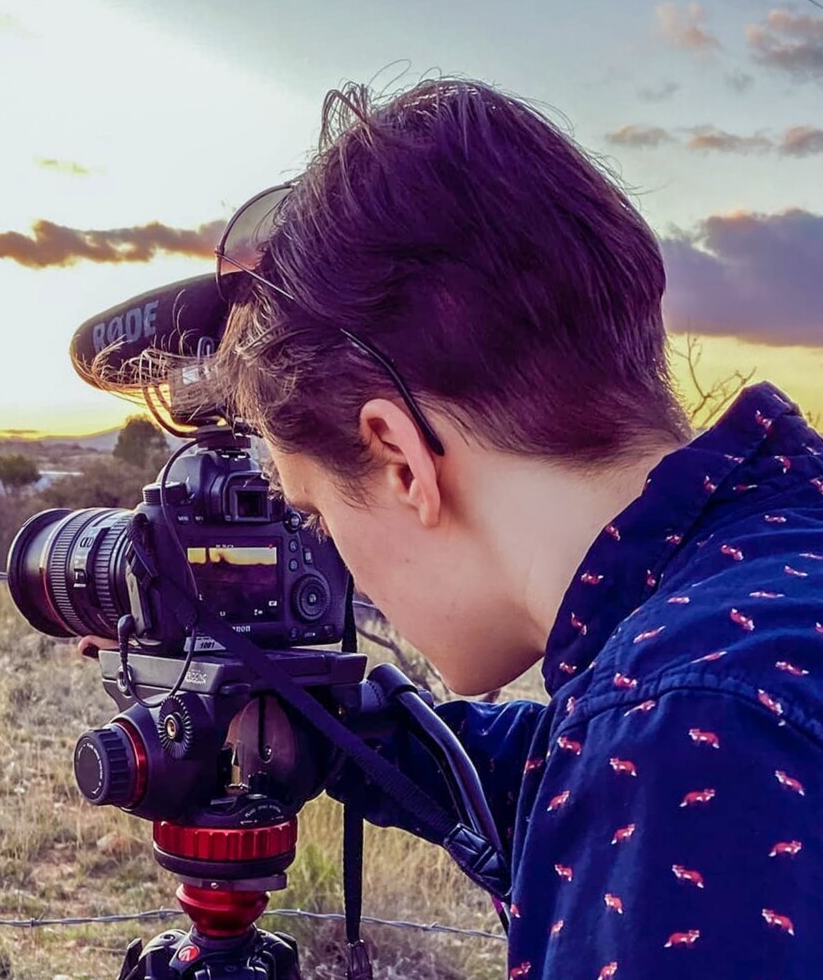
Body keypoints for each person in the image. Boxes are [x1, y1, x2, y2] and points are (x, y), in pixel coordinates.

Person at [196, 78, 823, 977]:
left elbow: (661, 767)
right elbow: (590, 781)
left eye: (317, 513)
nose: (337, 560)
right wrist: (337, 732)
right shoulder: (758, 595)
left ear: (400, 457)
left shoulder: (685, 729)